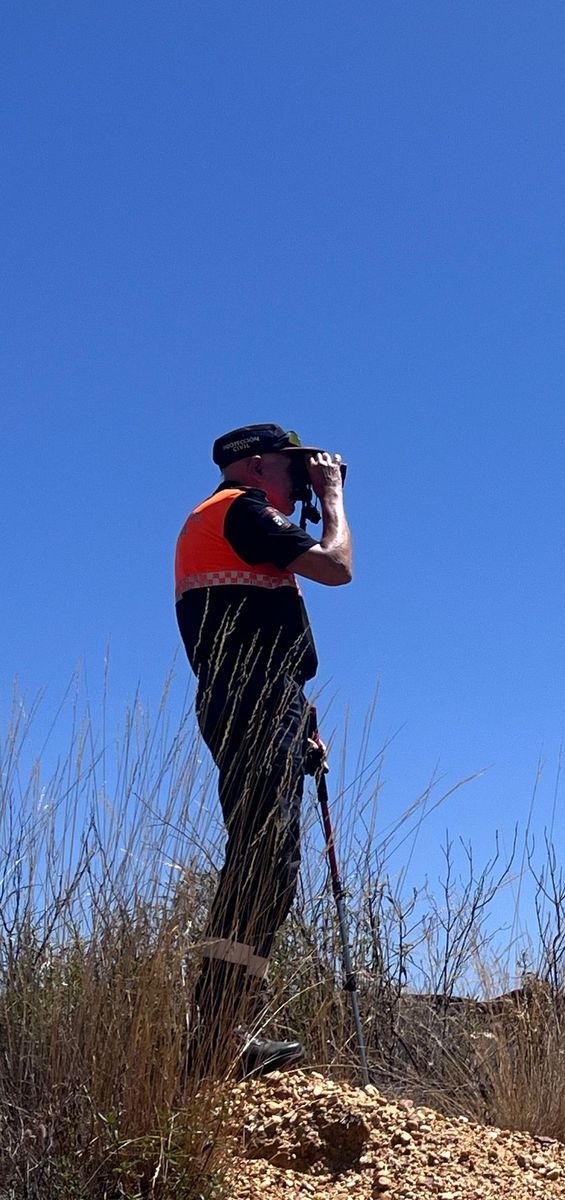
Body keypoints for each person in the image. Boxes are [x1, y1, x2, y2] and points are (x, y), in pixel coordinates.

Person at [174, 423, 352, 1078]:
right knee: (263, 859)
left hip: (260, 697)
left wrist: (295, 715)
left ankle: (223, 1031)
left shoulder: (231, 521)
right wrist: (332, 499)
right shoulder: (240, 512)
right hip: (252, 697)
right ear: (254, 466)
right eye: (291, 465)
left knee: (269, 861)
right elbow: (337, 567)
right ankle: (217, 1038)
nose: (301, 477)